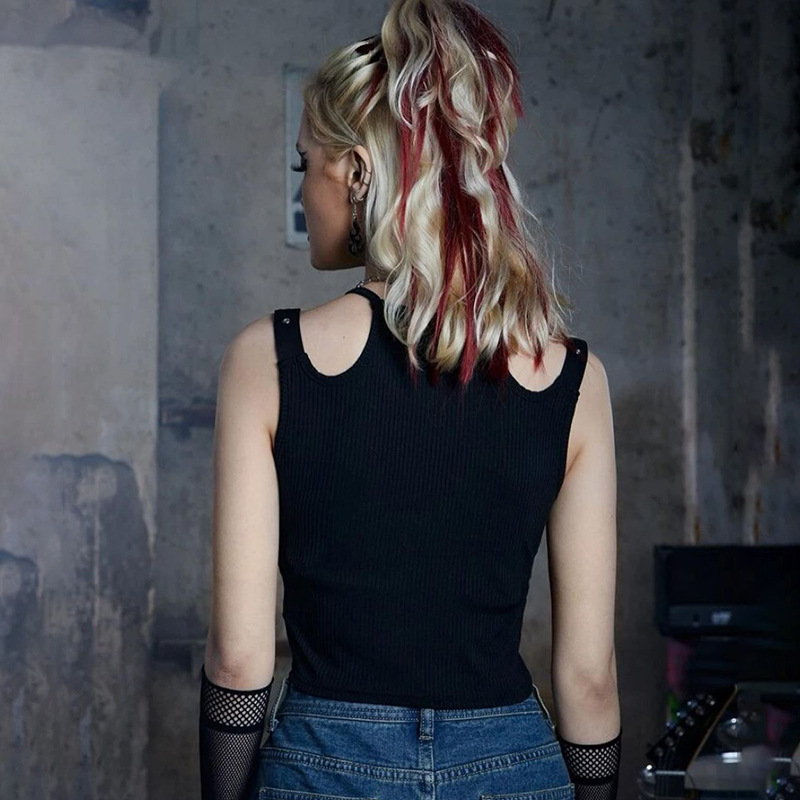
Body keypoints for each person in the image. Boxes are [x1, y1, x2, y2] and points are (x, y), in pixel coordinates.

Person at [198, 1, 621, 799]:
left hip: (327, 762)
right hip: (512, 767)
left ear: (358, 173)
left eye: (305, 165)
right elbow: (589, 677)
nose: (303, 192)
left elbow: (238, 658)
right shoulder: (573, 377)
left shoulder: (267, 359)